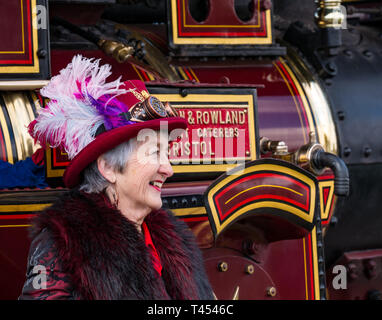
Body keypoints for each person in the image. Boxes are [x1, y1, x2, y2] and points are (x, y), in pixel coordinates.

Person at [19, 55, 213, 300]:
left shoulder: (176, 244)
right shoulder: (64, 242)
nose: (168, 168)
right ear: (108, 167)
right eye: (154, 152)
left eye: (167, 153)